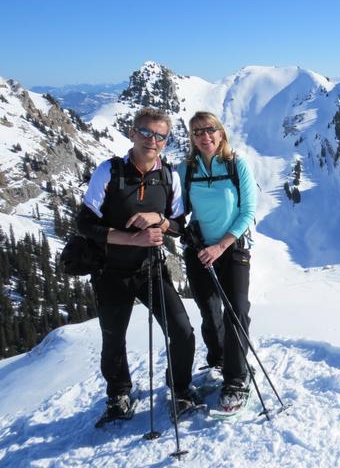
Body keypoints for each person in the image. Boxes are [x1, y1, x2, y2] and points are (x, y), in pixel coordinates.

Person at [76, 107, 197, 420]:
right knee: (113, 338)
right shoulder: (110, 171)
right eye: (145, 132)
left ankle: (180, 388)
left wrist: (159, 220)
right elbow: (86, 224)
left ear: (167, 140)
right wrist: (132, 239)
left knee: (182, 331)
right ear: (132, 133)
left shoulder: (169, 176)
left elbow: (179, 224)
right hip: (110, 271)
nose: (152, 140)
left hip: (150, 270)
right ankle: (119, 394)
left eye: (160, 136)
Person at [178, 111, 257, 411]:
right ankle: (220, 361)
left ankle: (237, 378)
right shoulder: (187, 169)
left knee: (236, 311)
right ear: (192, 138)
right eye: (197, 132)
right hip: (200, 250)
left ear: (221, 133)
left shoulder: (237, 165)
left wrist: (222, 245)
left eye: (210, 130)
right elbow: (178, 209)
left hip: (233, 248)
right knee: (210, 312)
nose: (204, 136)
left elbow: (247, 210)